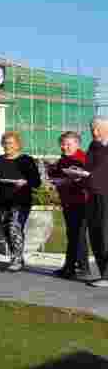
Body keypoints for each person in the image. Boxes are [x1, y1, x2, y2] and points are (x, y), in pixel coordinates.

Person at [0, 131, 41, 272]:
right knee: (6, 230)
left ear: (18, 145)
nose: (7, 146)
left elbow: (36, 182)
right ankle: (16, 256)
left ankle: (16, 259)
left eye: (10, 143)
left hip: (20, 200)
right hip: (3, 200)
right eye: (5, 143)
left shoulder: (26, 160)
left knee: (14, 228)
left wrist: (25, 182)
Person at [48, 131, 93, 280]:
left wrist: (70, 180)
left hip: (82, 202)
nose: (64, 147)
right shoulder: (63, 160)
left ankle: (82, 268)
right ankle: (70, 267)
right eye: (62, 144)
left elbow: (90, 179)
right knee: (72, 235)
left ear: (77, 144)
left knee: (78, 235)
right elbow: (57, 176)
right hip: (68, 202)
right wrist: (53, 175)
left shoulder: (84, 159)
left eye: (68, 144)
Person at [81, 118, 108, 287]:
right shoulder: (93, 146)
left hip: (106, 195)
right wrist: (79, 173)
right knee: (95, 232)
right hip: (92, 194)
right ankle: (102, 272)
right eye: (92, 129)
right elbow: (89, 167)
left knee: (106, 233)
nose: (94, 133)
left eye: (98, 129)